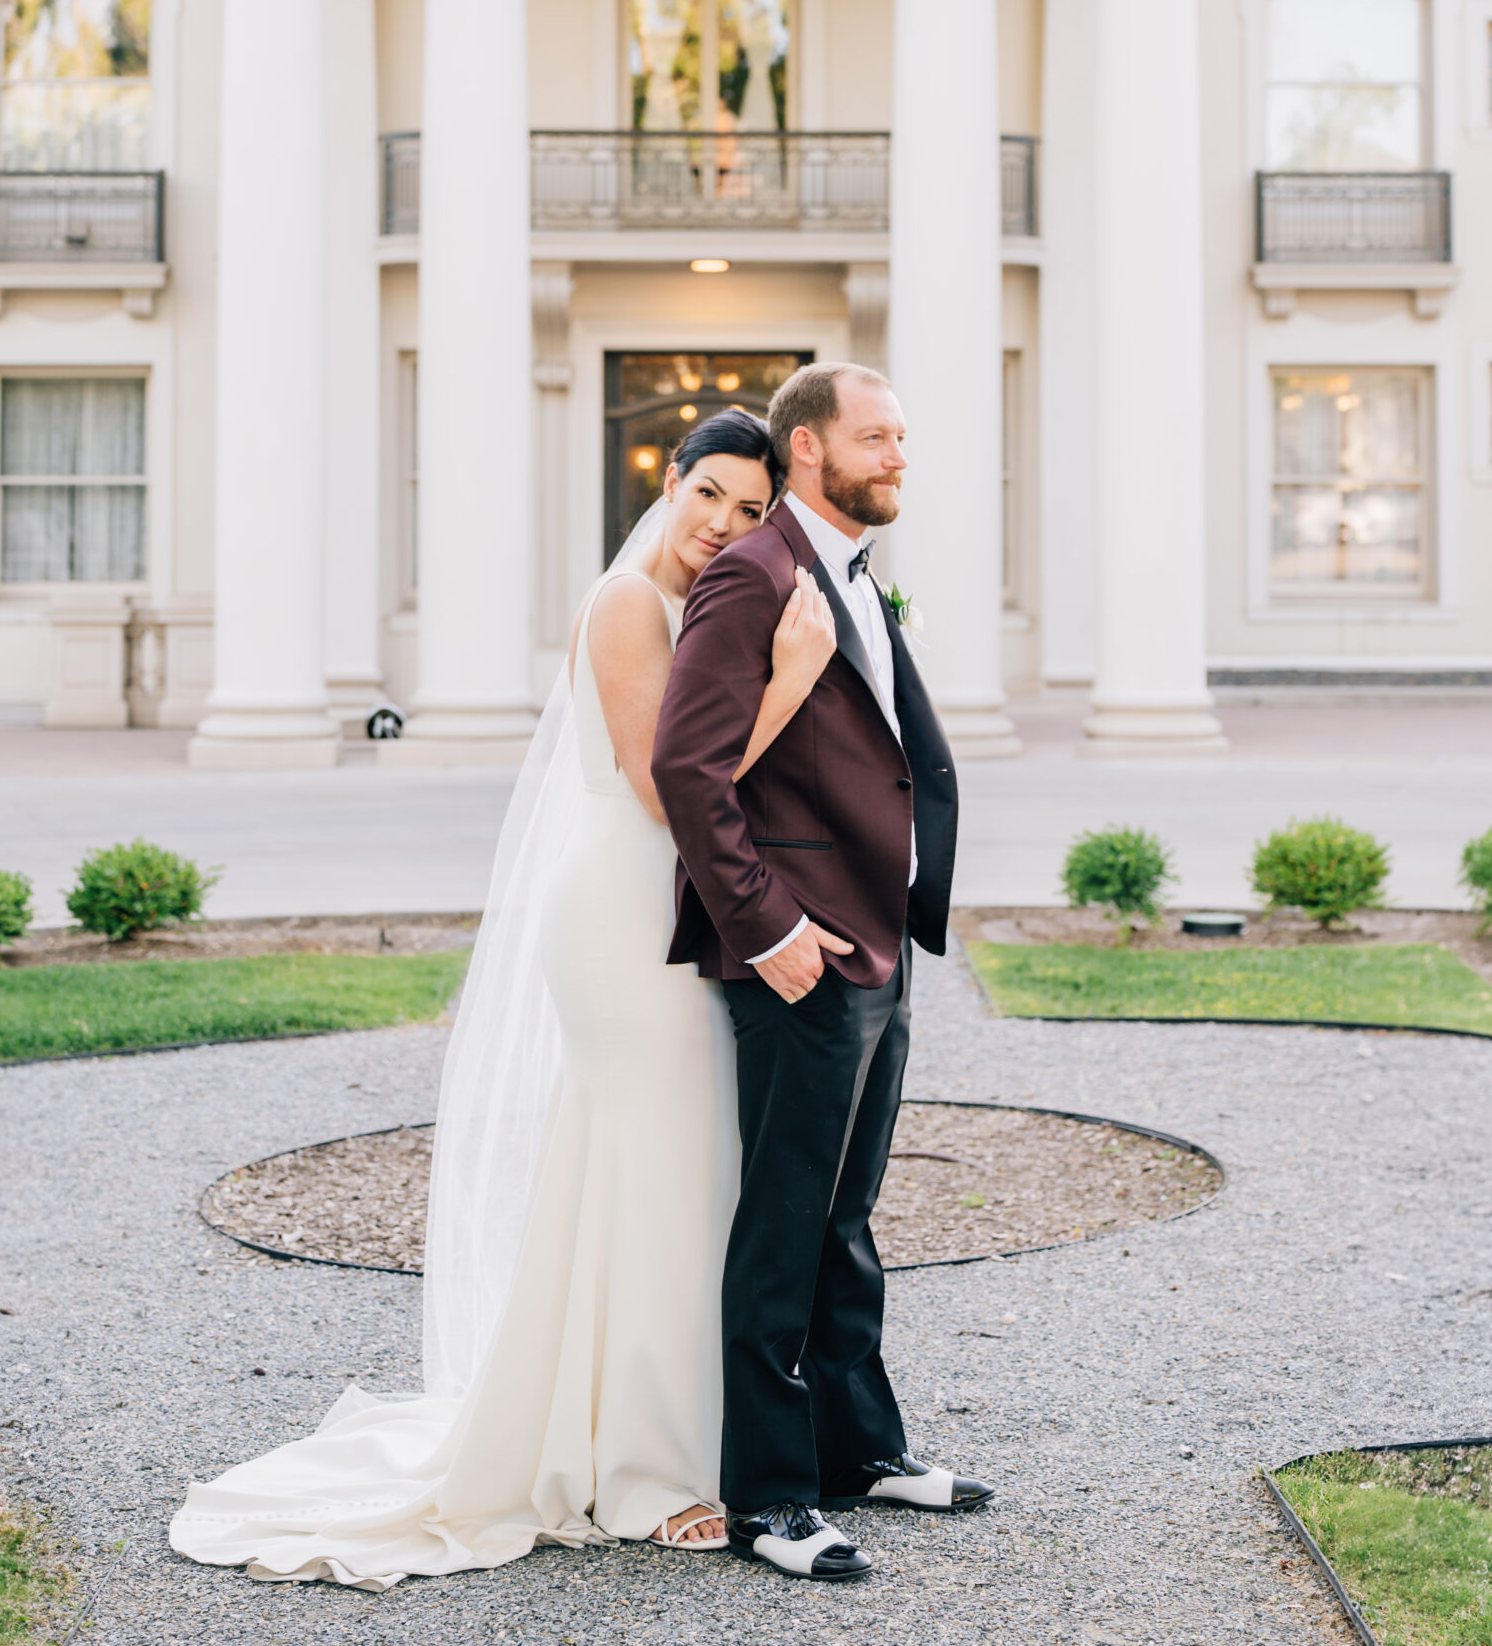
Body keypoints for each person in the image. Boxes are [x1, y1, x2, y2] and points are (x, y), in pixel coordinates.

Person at [168, 410, 837, 1588]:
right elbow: (657, 785)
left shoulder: (705, 604)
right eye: (710, 496)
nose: (724, 525)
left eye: (749, 510)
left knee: (679, 1177)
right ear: (667, 484)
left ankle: (670, 1435)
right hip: (623, 912)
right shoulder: (629, 601)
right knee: (652, 1169)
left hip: (681, 909)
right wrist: (788, 681)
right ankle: (637, 1472)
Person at [651, 361, 990, 1584]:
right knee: (785, 1221)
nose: (899, 455)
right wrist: (768, 929)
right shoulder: (748, 577)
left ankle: (861, 1448)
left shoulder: (847, 570)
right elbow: (689, 773)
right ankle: (772, 1495)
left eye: (902, 435)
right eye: (877, 436)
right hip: (798, 950)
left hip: (878, 935)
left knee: (845, 1216)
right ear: (808, 450)